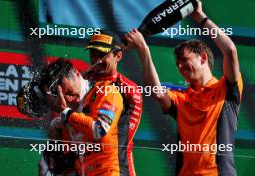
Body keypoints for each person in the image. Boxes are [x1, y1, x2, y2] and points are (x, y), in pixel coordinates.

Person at [124, 0, 243, 175]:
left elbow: (230, 51)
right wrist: (143, 49)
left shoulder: (225, 89)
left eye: (184, 60)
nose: (180, 66)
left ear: (202, 58)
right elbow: (157, 92)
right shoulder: (181, 98)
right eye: (177, 64)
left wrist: (200, 17)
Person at [45, 30, 142, 176]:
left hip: (115, 169)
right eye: (93, 54)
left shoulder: (117, 89)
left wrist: (66, 113)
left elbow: (103, 132)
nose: (97, 60)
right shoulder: (89, 87)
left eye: (102, 54)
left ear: (118, 56)